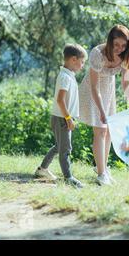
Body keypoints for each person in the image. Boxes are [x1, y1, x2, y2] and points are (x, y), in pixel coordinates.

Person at [78, 25, 129, 186]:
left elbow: (127, 83)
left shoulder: (126, 57)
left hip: (108, 91)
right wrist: (101, 110)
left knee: (108, 131)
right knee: (100, 130)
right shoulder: (98, 54)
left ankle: (103, 168)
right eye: (116, 45)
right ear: (109, 42)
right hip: (92, 90)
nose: (120, 49)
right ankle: (101, 174)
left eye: (123, 45)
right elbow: (94, 86)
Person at [35, 43, 87, 188]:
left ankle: (42, 169)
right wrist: (68, 118)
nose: (82, 66)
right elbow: (60, 99)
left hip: (62, 117)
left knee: (59, 146)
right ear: (73, 60)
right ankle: (68, 177)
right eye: (82, 62)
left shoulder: (68, 75)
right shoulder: (65, 77)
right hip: (62, 118)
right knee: (65, 149)